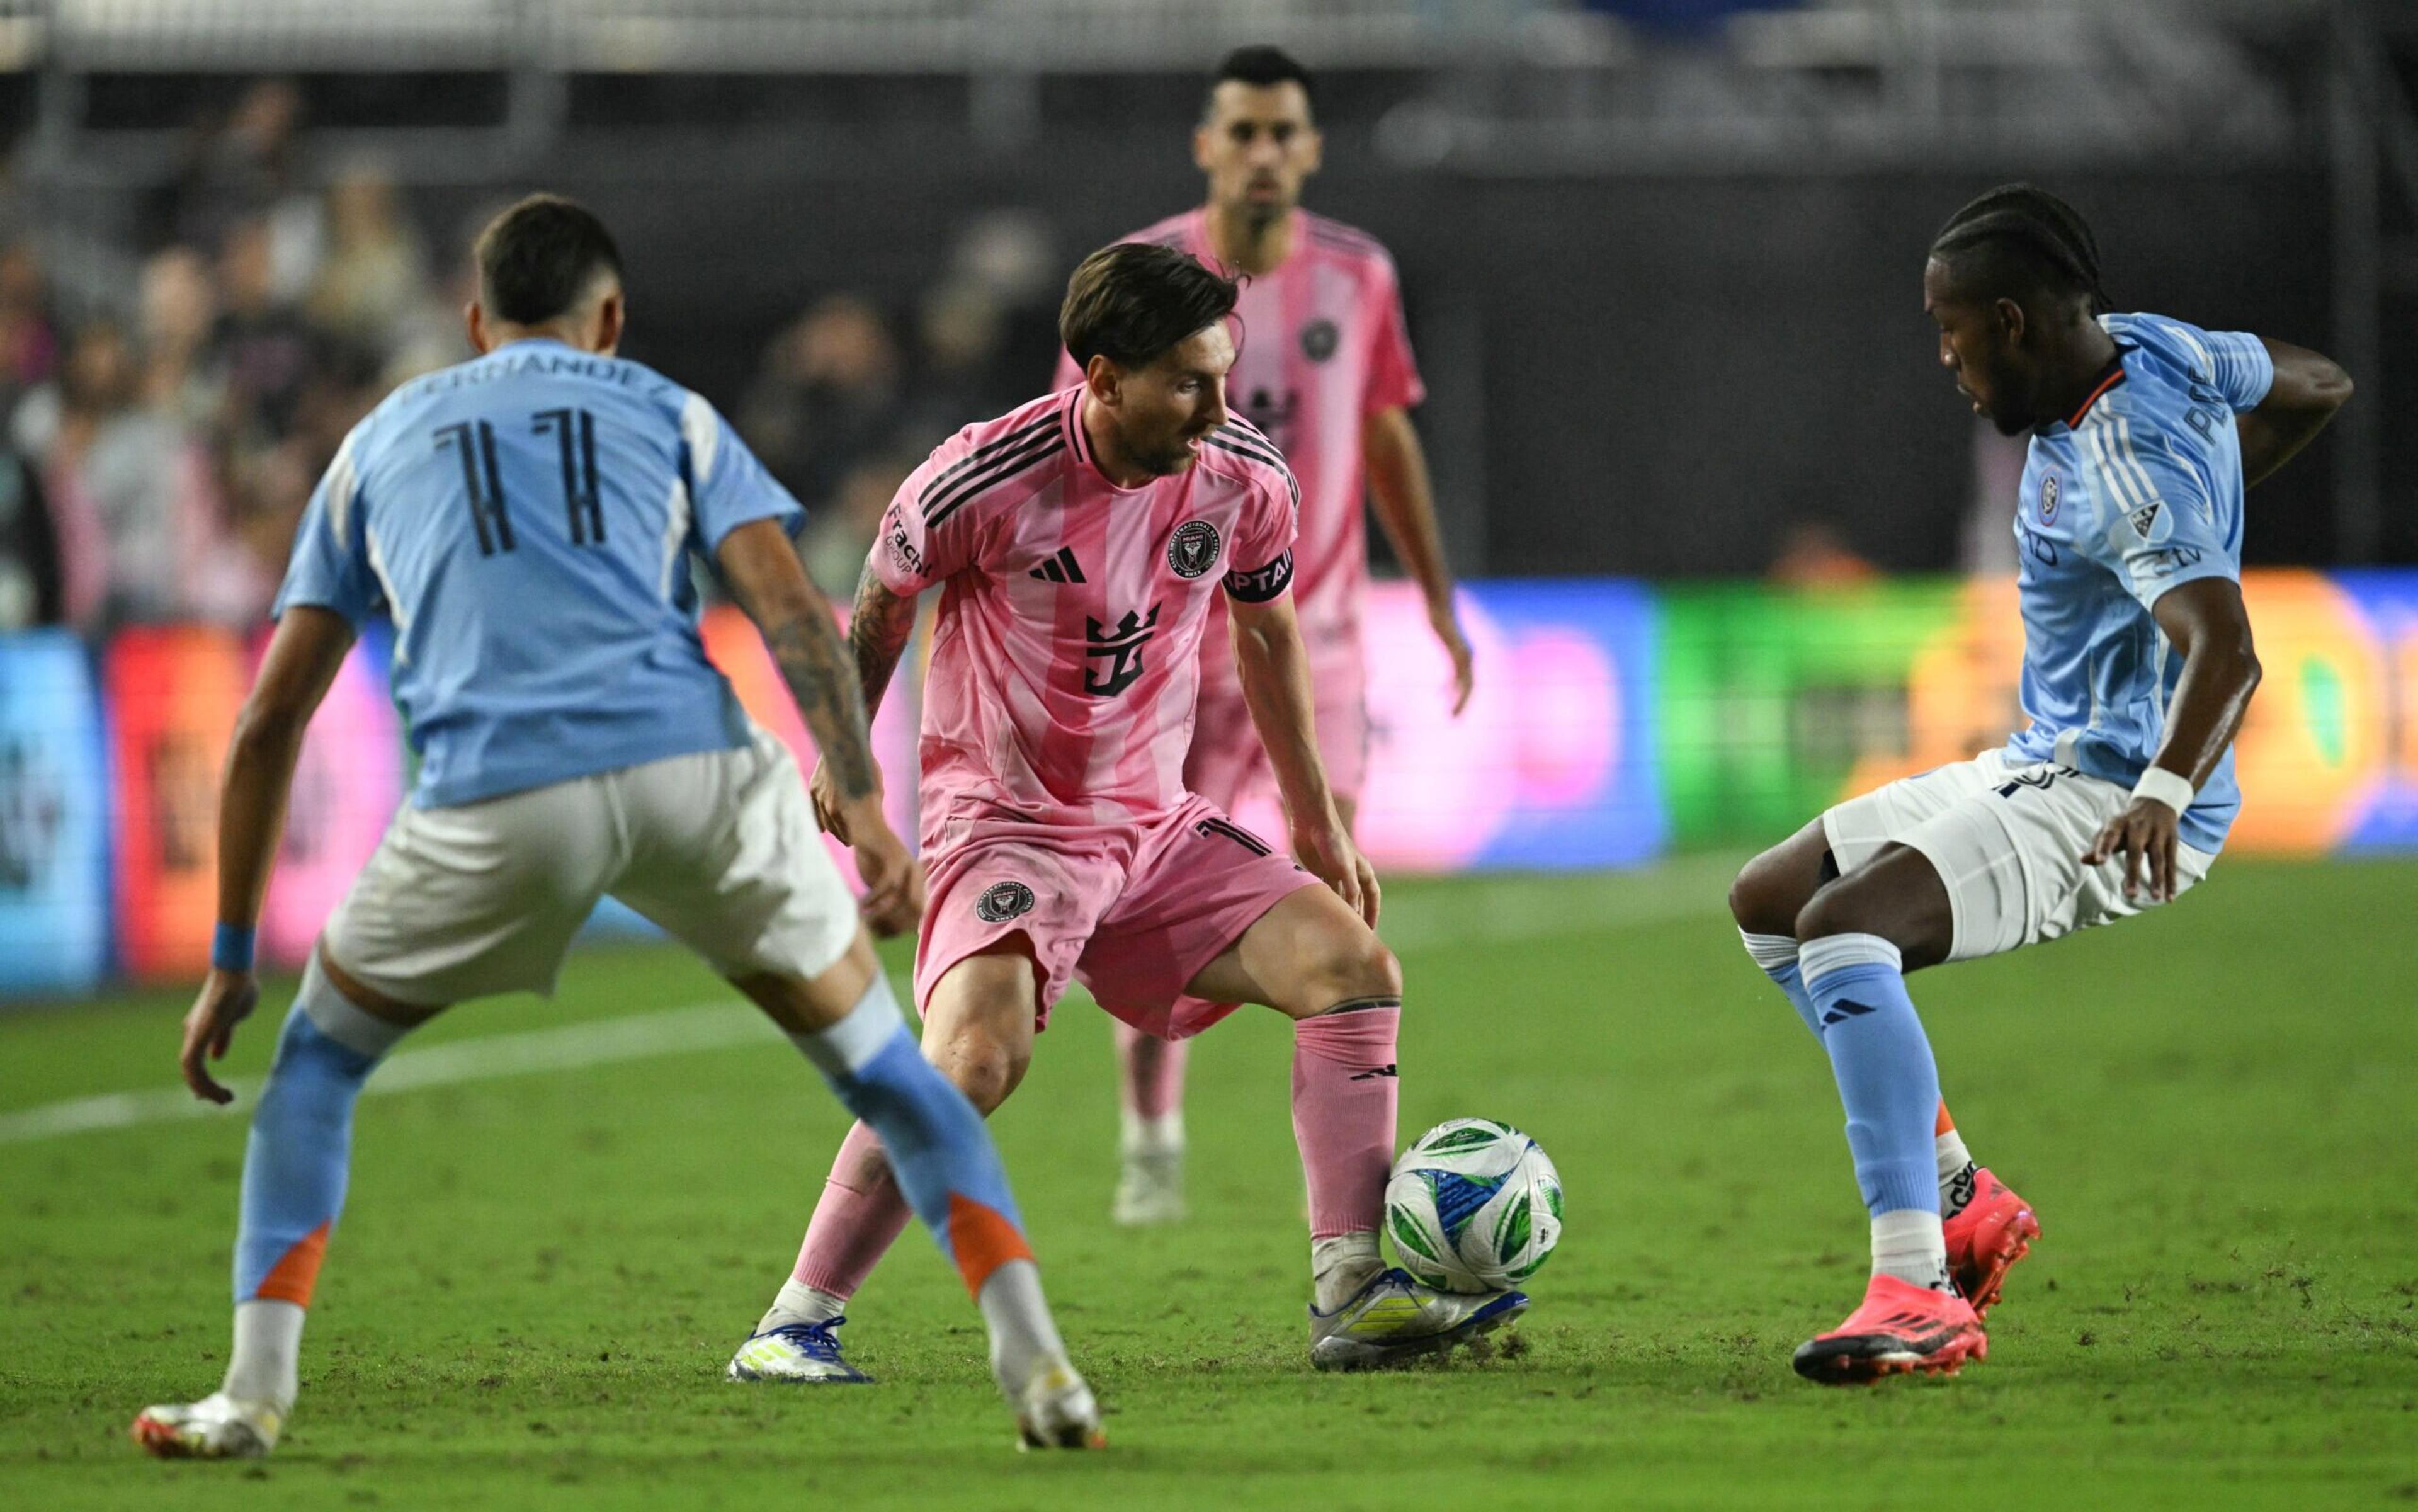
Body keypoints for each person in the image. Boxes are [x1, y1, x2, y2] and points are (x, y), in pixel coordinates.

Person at [130, 194, 1101, 1458]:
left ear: (475, 320)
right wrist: (863, 807)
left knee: (316, 1068)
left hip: (492, 799)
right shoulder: (671, 412)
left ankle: (252, 1396)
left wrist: (227, 954)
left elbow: (268, 725)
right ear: (613, 319)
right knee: (890, 1073)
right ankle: (1042, 1371)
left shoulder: (380, 438)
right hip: (693, 779)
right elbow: (794, 612)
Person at [727, 241, 1526, 1384]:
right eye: (1190, 382)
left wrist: (1316, 819)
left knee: (1353, 969)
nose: (1220, 407)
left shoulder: (1243, 478)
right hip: (1004, 822)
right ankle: (794, 1323)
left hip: (1153, 829)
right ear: (1101, 377)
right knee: (975, 1061)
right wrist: (849, 755)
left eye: (1225, 376)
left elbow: (1265, 630)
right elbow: (880, 601)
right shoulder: (977, 478)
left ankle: (1352, 1292)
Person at [1726, 183, 2351, 1384]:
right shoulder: (2162, 344)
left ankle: (1914, 1287)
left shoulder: (2125, 464)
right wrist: (2206, 516)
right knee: (1771, 901)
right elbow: (2320, 382)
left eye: (1951, 330)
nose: (1947, 359)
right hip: (2040, 757)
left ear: (2011, 322)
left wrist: (2165, 791)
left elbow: (2229, 649)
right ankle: (1961, 1192)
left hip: (2112, 793)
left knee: (1846, 931)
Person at [1054, 46, 1473, 1225]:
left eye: (1284, 132)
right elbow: (1076, 449)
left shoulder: (1358, 275)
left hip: (1314, 647)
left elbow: (1386, 438)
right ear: (1207, 148)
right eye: (1242, 131)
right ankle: (1151, 1133)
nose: (1264, 153)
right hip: (1171, 652)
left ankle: (1347, 1198)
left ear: (1311, 149)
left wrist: (1436, 596)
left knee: (1334, 894)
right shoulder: (1144, 283)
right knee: (1147, 886)